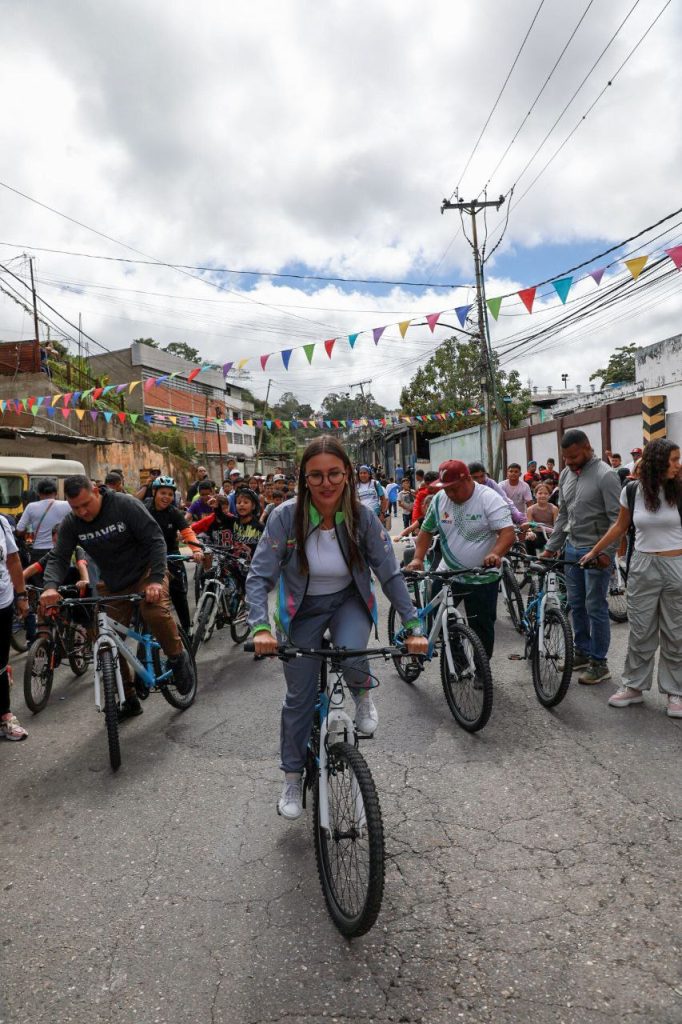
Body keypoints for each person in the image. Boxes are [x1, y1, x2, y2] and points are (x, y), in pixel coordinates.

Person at [247, 436, 427, 821]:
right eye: (316, 475)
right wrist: (260, 626)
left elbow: (389, 572)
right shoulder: (285, 517)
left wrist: (413, 624)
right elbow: (260, 574)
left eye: (333, 473)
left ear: (347, 474)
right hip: (301, 611)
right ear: (304, 478)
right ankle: (292, 778)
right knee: (298, 698)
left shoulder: (363, 517)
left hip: (348, 602)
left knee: (352, 658)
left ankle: (363, 697)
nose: (325, 483)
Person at [39, 475, 194, 717]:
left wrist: (155, 580)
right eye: (75, 507)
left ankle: (177, 658)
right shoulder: (72, 523)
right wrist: (50, 587)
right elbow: (59, 557)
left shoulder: (124, 505)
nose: (82, 512)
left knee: (153, 610)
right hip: (112, 581)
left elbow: (156, 541)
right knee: (106, 635)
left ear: (95, 491)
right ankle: (128, 697)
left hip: (147, 571)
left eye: (85, 504)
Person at [579, 439, 682, 717]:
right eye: (674, 459)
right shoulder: (633, 491)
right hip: (643, 565)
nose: (678, 465)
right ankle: (634, 687)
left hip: (677, 564)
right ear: (658, 461)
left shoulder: (680, 488)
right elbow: (620, 526)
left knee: (676, 632)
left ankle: (676, 692)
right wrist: (595, 551)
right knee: (640, 630)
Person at [406, 460, 515, 657]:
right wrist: (417, 558)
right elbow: (426, 531)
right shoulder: (440, 499)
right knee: (436, 620)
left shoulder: (489, 498)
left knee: (481, 626)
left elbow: (508, 533)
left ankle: (482, 671)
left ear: (467, 480)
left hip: (482, 576)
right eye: (446, 489)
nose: (450, 494)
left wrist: (495, 553)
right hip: (448, 573)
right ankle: (457, 659)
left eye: (454, 489)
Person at [541, 429, 622, 685]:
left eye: (574, 456)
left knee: (595, 606)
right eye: (566, 458)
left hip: (596, 552)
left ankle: (599, 662)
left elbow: (617, 521)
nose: (569, 462)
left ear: (587, 447)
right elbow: (563, 515)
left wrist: (607, 554)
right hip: (572, 550)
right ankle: (583, 652)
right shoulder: (565, 474)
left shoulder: (606, 476)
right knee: (576, 605)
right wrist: (551, 548)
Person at [144, 476, 204, 635]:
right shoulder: (144, 508)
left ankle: (187, 629)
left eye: (170, 494)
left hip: (171, 555)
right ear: (154, 492)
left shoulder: (174, 513)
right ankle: (146, 633)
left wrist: (196, 550)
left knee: (179, 593)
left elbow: (188, 533)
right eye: (163, 493)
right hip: (147, 558)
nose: (167, 497)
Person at [0, 514, 29, 740]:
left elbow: (12, 559)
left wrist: (21, 595)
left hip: (2, 602)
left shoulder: (1, 522)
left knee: (0, 663)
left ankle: (5, 716)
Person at [15, 479, 70, 562]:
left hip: (38, 552)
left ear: (38, 493)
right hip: (61, 550)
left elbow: (19, 530)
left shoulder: (31, 507)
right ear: (56, 493)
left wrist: (31, 527)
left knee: (39, 574)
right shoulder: (67, 505)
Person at [468, 462, 528, 526]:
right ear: (468, 477)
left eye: (482, 476)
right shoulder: (465, 487)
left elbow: (504, 499)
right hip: (470, 518)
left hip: (490, 517)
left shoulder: (490, 483)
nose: (479, 480)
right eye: (475, 478)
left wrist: (516, 514)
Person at [524, 483, 559, 556]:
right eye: (540, 493)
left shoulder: (554, 509)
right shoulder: (530, 509)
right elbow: (529, 525)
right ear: (535, 495)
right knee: (528, 539)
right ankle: (532, 561)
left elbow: (556, 525)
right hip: (537, 533)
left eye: (546, 493)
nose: (543, 495)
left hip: (550, 534)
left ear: (549, 495)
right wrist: (530, 532)